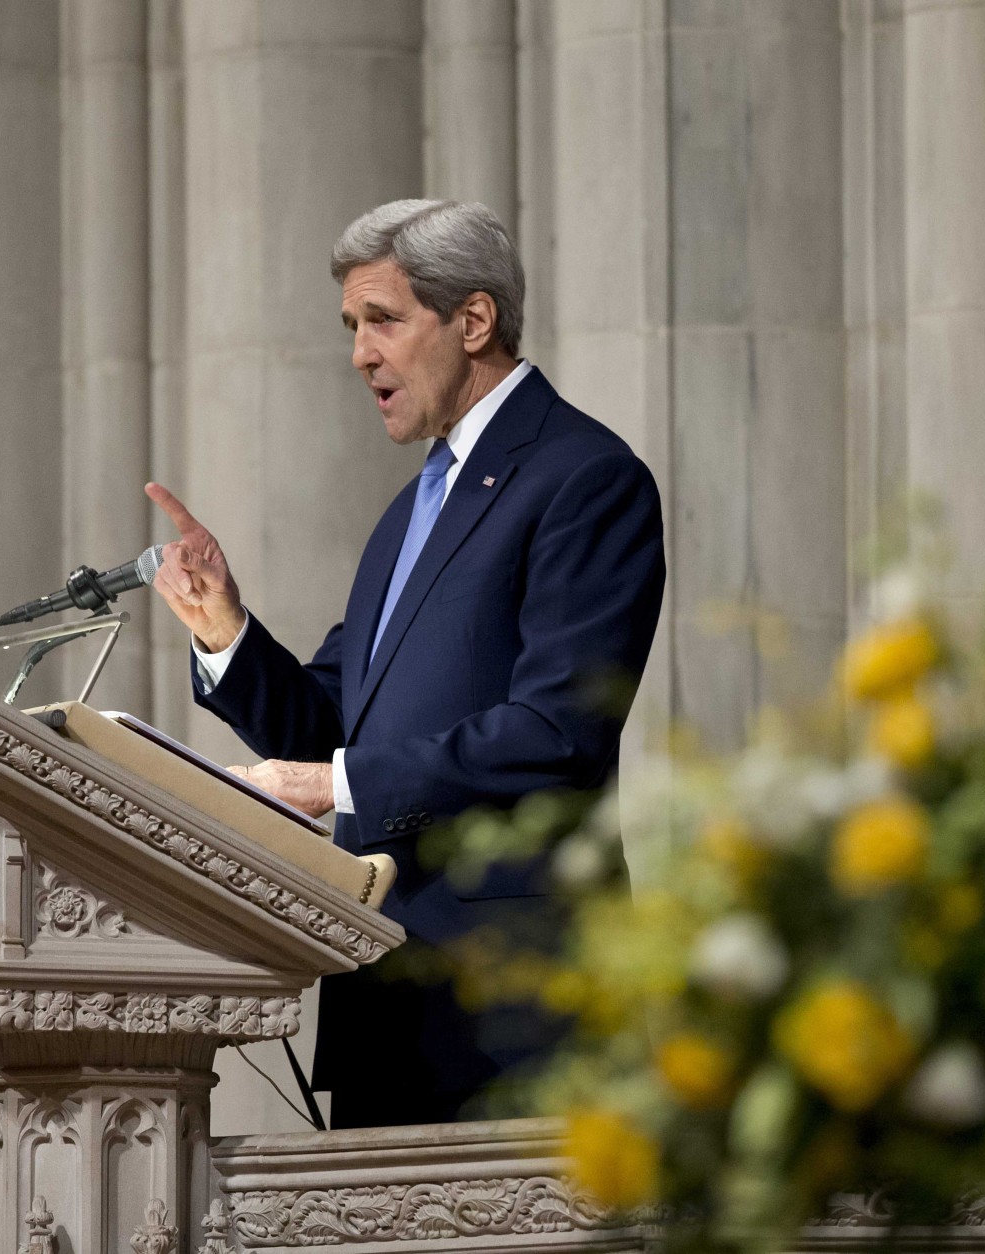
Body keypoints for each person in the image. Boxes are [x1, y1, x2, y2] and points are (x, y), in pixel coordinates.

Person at [145, 198, 665, 1127]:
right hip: (388, 999)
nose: (359, 355)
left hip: (519, 1015)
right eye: (352, 327)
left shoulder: (585, 477)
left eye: (382, 320)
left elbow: (559, 734)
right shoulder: (409, 510)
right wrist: (225, 631)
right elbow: (336, 722)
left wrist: (331, 782)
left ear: (473, 321)